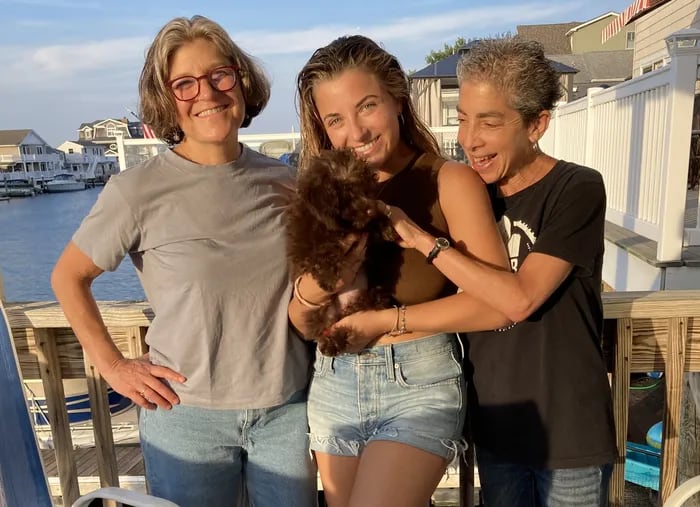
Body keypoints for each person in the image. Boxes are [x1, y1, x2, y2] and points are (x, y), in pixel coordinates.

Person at [336, 38, 617, 506]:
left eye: (489, 122)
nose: (470, 139)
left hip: (570, 431)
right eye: (464, 118)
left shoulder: (576, 188)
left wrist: (424, 241)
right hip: (497, 428)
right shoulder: (471, 194)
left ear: (537, 124)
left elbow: (519, 299)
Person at [50, 16, 316, 507]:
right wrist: (113, 366)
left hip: (287, 410)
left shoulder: (285, 182)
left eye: (220, 74)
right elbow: (69, 276)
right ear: (167, 99)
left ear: (241, 79)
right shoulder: (136, 190)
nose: (208, 93)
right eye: (185, 84)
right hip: (185, 416)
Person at [289, 35, 509, 507]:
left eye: (367, 106)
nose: (356, 131)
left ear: (397, 99)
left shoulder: (450, 180)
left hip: (418, 381)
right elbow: (305, 325)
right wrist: (312, 291)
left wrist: (386, 322)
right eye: (335, 120)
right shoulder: (322, 195)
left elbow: (497, 304)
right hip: (335, 380)